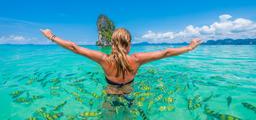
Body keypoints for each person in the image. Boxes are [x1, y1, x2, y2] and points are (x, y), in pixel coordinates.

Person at [40, 28, 201, 118]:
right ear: (129, 43)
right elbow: (166, 52)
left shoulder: (104, 59)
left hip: (110, 97)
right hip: (129, 95)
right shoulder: (136, 59)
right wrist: (189, 47)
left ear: (112, 44)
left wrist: (51, 36)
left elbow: (74, 47)